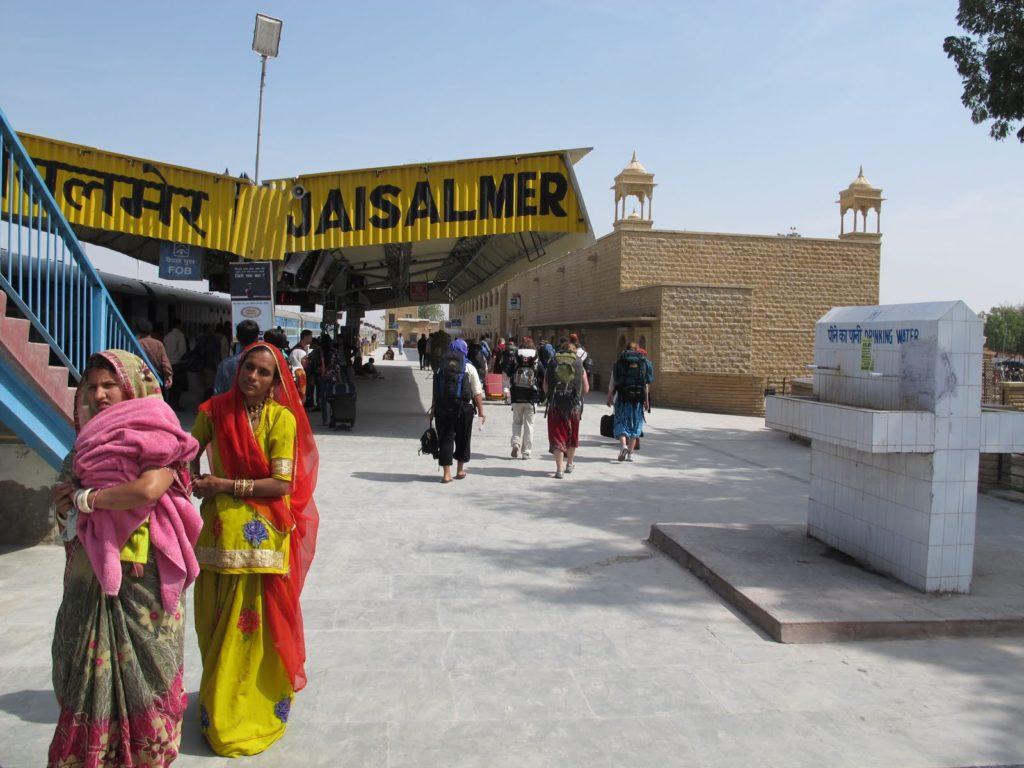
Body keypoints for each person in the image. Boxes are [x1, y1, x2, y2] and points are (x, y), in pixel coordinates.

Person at [48, 350, 202, 767]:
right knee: (80, 671)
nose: (99, 395)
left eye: (109, 385)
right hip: (89, 579)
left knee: (147, 677)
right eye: (91, 387)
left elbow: (149, 489)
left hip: (144, 581)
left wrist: (86, 499)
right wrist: (65, 502)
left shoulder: (157, 437)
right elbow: (64, 504)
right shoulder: (81, 448)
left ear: (131, 387)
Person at [190, 342, 319, 756]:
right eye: (249, 367)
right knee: (215, 622)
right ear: (239, 367)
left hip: (263, 537)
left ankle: (250, 706)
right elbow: (184, 454)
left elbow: (281, 484)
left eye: (264, 372)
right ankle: (218, 702)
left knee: (253, 627)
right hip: (217, 536)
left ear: (275, 382)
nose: (253, 377)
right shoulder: (212, 412)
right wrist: (192, 481)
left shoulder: (282, 419)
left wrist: (223, 484)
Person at [429, 339, 485, 483]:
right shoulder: (469, 367)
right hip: (463, 408)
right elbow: (477, 392)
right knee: (463, 438)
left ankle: (446, 474)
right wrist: (481, 411)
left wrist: (433, 409)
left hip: (442, 407)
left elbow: (436, 391)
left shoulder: (441, 367)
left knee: (445, 439)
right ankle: (460, 470)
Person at [544, 342, 589, 479]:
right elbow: (586, 389)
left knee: (558, 435)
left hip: (555, 404)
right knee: (572, 434)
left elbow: (545, 387)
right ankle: (569, 464)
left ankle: (559, 469)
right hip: (574, 405)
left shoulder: (552, 362)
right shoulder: (579, 364)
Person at [607, 342, 654, 461]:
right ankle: (631, 454)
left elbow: (613, 382)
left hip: (622, 398)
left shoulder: (619, 363)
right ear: (637, 349)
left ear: (625, 349)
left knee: (621, 423)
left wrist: (610, 397)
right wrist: (647, 401)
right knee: (636, 425)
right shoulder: (643, 363)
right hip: (637, 399)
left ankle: (623, 446)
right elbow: (646, 385)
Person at [507, 345, 543, 459]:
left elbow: (508, 373)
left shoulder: (516, 361)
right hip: (531, 398)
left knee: (517, 422)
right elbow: (543, 376)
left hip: (517, 397)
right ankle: (526, 452)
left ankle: (516, 443)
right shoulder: (536, 362)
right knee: (529, 425)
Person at [214, 320, 261, 395]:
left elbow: (218, 393)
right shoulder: (265, 364)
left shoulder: (225, 364)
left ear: (237, 337)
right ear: (257, 338)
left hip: (229, 405)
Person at [135, 318, 174, 389]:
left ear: (138, 331)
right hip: (157, 380)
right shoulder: (158, 344)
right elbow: (165, 363)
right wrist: (169, 376)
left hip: (141, 379)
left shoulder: (136, 343)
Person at [164, 319, 188, 409]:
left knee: (171, 384)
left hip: (169, 363)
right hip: (178, 363)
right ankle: (175, 404)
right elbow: (183, 351)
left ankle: (170, 403)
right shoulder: (180, 335)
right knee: (178, 385)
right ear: (178, 325)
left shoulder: (167, 336)